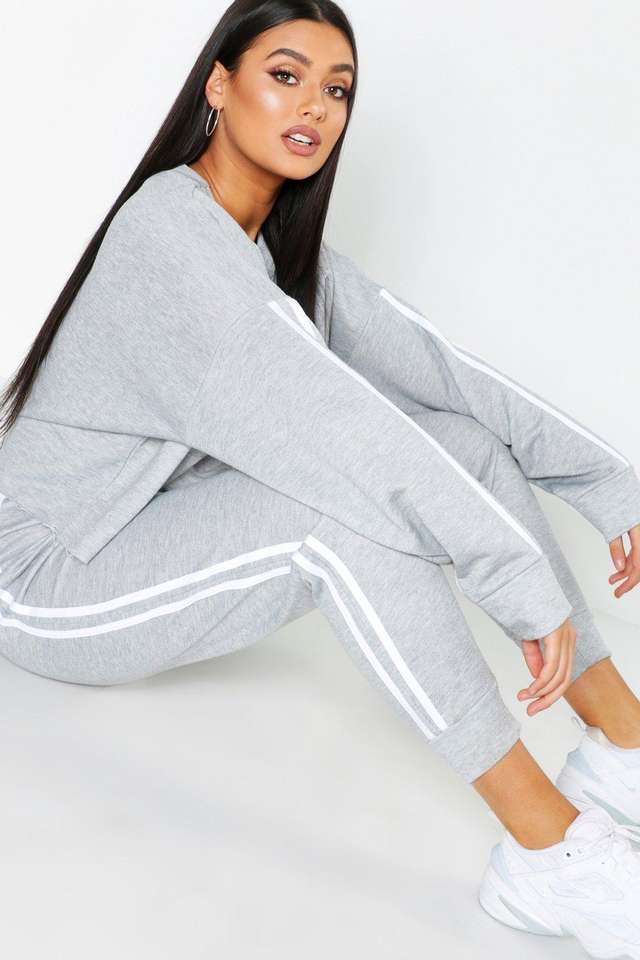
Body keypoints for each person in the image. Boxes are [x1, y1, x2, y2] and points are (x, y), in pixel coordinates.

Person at [1, 1, 640, 952]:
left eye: (337, 89)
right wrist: (514, 576)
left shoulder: (270, 248)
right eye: (285, 75)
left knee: (460, 443)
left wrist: (610, 482)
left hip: (150, 525)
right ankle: (550, 856)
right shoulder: (169, 240)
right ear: (219, 86)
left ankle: (624, 744)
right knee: (337, 525)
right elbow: (348, 432)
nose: (315, 106)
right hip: (48, 575)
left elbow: (440, 368)